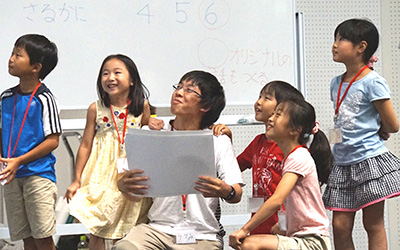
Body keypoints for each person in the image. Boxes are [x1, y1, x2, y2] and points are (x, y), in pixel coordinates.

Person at [112, 70, 244, 250]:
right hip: (157, 230)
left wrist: (225, 191)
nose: (179, 92)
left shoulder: (218, 140)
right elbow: (132, 192)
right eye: (179, 86)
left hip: (202, 235)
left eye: (189, 90)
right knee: (125, 247)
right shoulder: (153, 133)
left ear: (205, 106)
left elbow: (236, 193)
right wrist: (123, 186)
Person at [64, 54, 163, 250]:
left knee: (129, 220)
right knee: (100, 223)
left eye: (117, 72)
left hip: (130, 169)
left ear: (132, 79)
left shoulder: (141, 106)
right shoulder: (96, 108)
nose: (110, 78)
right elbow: (85, 144)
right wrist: (77, 179)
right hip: (101, 173)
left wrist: (152, 122)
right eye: (105, 73)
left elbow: (148, 134)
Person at [322, 18, 400, 250]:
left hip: (368, 161)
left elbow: (393, 125)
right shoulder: (336, 83)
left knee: (373, 223)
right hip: (342, 163)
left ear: (361, 47)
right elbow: (341, 121)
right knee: (339, 225)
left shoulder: (373, 81)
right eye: (335, 39)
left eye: (341, 39)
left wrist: (381, 130)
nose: (335, 44)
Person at [229, 98, 332, 250]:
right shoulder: (291, 157)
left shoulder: (298, 156)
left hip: (313, 242)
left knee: (249, 243)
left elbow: (276, 199)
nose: (271, 118)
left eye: (278, 115)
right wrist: (286, 223)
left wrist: (245, 229)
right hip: (299, 237)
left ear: (295, 129)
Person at [213, 81, 304, 235]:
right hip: (259, 223)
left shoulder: (292, 149)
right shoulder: (258, 142)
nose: (258, 102)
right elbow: (234, 169)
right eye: (259, 97)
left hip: (283, 224)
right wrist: (228, 141)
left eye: (267, 98)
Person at [0, 34, 61, 250]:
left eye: (18, 55)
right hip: (12, 176)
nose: (11, 59)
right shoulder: (6, 97)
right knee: (25, 237)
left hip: (38, 175)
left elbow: (53, 140)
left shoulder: (44, 98)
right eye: (12, 53)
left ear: (35, 67)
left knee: (42, 237)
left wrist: (20, 160)